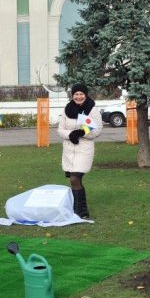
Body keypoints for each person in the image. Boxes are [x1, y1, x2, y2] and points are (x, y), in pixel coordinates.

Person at [57, 83, 102, 218]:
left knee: (75, 178)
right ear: (73, 95)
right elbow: (60, 129)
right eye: (76, 94)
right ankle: (82, 211)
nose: (79, 96)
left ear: (86, 94)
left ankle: (78, 211)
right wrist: (70, 134)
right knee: (74, 180)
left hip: (84, 150)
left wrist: (81, 133)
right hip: (69, 151)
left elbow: (97, 130)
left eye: (81, 94)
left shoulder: (92, 110)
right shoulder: (67, 109)